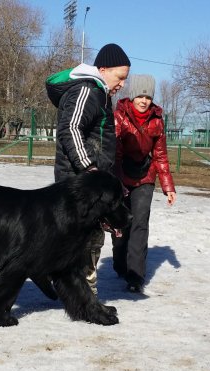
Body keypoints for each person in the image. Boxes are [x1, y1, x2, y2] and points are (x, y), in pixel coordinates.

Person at [46, 43, 131, 294]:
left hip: (88, 183)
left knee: (89, 238)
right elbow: (70, 129)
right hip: (79, 183)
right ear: (103, 69)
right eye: (120, 77)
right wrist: (90, 168)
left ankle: (78, 290)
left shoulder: (99, 93)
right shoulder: (87, 90)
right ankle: (82, 295)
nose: (122, 84)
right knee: (85, 239)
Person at [111, 74, 176, 293]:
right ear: (132, 96)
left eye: (148, 97)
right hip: (121, 175)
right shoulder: (119, 117)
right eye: (140, 95)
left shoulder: (156, 121)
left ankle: (135, 276)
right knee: (121, 224)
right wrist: (116, 182)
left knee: (140, 224)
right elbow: (115, 154)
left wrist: (168, 187)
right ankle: (120, 263)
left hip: (145, 176)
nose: (144, 100)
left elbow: (160, 156)